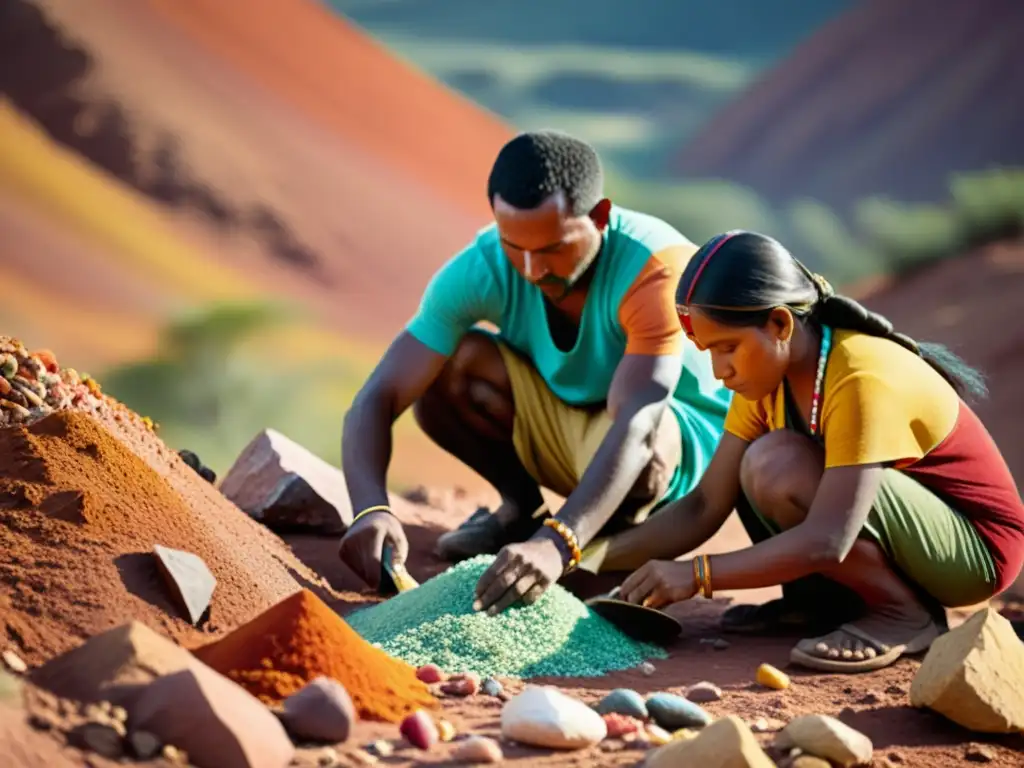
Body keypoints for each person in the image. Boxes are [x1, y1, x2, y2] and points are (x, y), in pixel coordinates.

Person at [337, 130, 731, 611]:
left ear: (600, 217)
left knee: (649, 442)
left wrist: (557, 543)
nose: (532, 269)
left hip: (672, 458)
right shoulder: (484, 265)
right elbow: (378, 393)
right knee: (446, 367)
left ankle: (605, 552)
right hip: (572, 426)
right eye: (513, 246)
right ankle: (521, 514)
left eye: (552, 249)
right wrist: (370, 508)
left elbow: (639, 425)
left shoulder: (653, 267)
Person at [610, 230, 1024, 673]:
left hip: (974, 553)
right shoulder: (763, 379)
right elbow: (705, 504)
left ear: (781, 324)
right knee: (756, 467)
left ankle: (903, 614)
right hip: (889, 529)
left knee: (777, 466)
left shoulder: (860, 377)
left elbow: (829, 538)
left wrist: (697, 575)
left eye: (728, 348)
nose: (719, 370)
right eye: (708, 352)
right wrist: (577, 554)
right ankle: (815, 603)